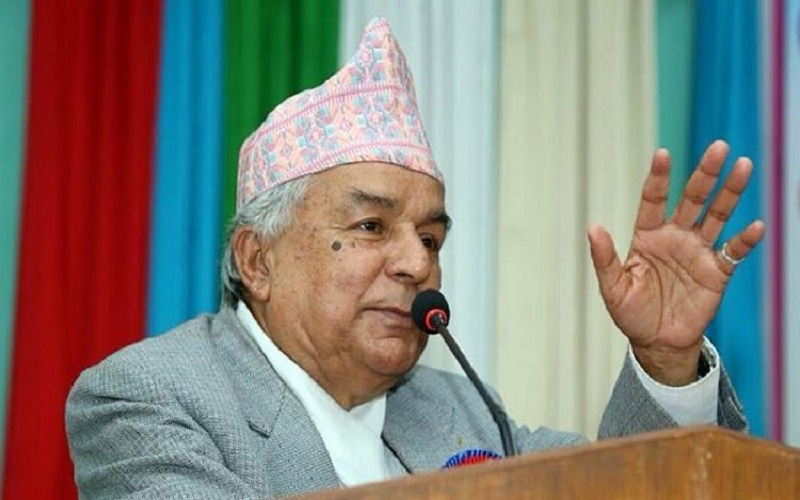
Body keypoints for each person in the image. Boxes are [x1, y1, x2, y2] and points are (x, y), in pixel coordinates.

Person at [66, 18, 764, 499]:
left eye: (431, 238)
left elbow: (624, 487)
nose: (416, 264)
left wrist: (665, 360)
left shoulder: (459, 409)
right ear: (258, 260)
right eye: (372, 226)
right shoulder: (148, 396)